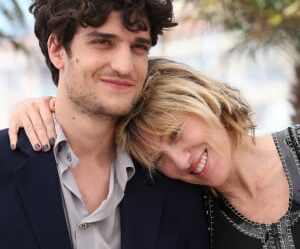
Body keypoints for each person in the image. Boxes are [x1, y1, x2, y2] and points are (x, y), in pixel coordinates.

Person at [0, 0, 209, 249]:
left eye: (139, 46)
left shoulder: (174, 177)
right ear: (57, 49)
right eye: (103, 42)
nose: (125, 66)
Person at [9, 58, 300, 249]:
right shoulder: (187, 208)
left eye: (175, 133)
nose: (182, 161)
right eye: (160, 160)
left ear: (199, 98)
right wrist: (37, 108)